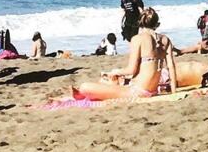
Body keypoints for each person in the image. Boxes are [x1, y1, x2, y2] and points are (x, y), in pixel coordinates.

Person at [71, 7, 199, 100]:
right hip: (152, 90)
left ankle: (83, 93)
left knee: (84, 86)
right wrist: (174, 92)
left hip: (138, 90)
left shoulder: (138, 39)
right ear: (157, 24)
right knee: (107, 81)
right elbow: (171, 67)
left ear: (140, 22)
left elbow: (131, 70)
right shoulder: (165, 39)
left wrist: (115, 71)